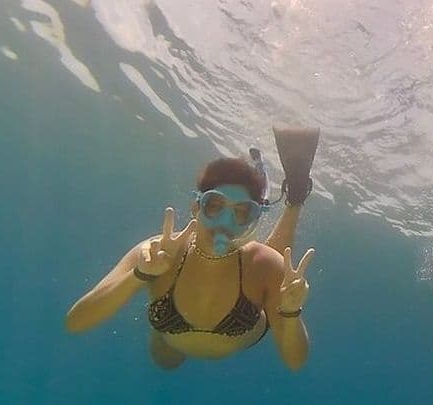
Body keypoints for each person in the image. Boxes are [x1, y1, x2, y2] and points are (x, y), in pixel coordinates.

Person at [66, 126, 320, 371]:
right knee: (166, 362)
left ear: (254, 220)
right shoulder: (157, 252)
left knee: (268, 261)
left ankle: (295, 200)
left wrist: (291, 313)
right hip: (171, 342)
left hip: (249, 320)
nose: (225, 224)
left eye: (242, 213)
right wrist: (139, 275)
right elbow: (75, 322)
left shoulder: (265, 264)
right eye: (215, 206)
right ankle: (295, 198)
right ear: (196, 207)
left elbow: (295, 362)